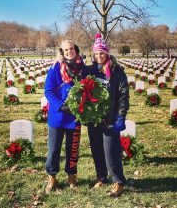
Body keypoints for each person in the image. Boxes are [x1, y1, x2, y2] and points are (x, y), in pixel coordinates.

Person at [87, 33, 129, 197]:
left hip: (110, 118)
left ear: (107, 53)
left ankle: (118, 181)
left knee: (111, 152)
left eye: (101, 53)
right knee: (97, 149)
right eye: (96, 53)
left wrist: (120, 116)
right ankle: (102, 177)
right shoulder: (91, 70)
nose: (99, 56)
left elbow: (123, 95)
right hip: (94, 118)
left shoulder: (117, 71)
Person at [44, 39, 85, 194]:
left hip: (75, 118)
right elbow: (49, 91)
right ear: (62, 52)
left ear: (76, 49)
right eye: (66, 49)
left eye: (72, 49)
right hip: (58, 116)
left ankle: (71, 175)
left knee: (72, 149)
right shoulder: (55, 69)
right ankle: (52, 177)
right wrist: (61, 104)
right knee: (54, 149)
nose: (69, 51)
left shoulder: (83, 69)